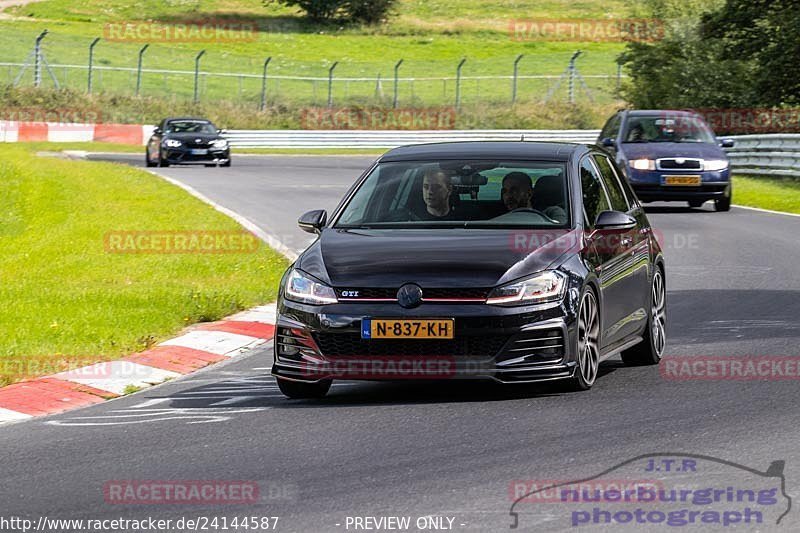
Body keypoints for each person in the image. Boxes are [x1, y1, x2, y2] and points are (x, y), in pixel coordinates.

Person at [502, 172, 567, 223]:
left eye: (514, 191)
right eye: (504, 191)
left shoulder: (552, 213)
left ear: (529, 193)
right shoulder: (497, 216)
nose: (508, 196)